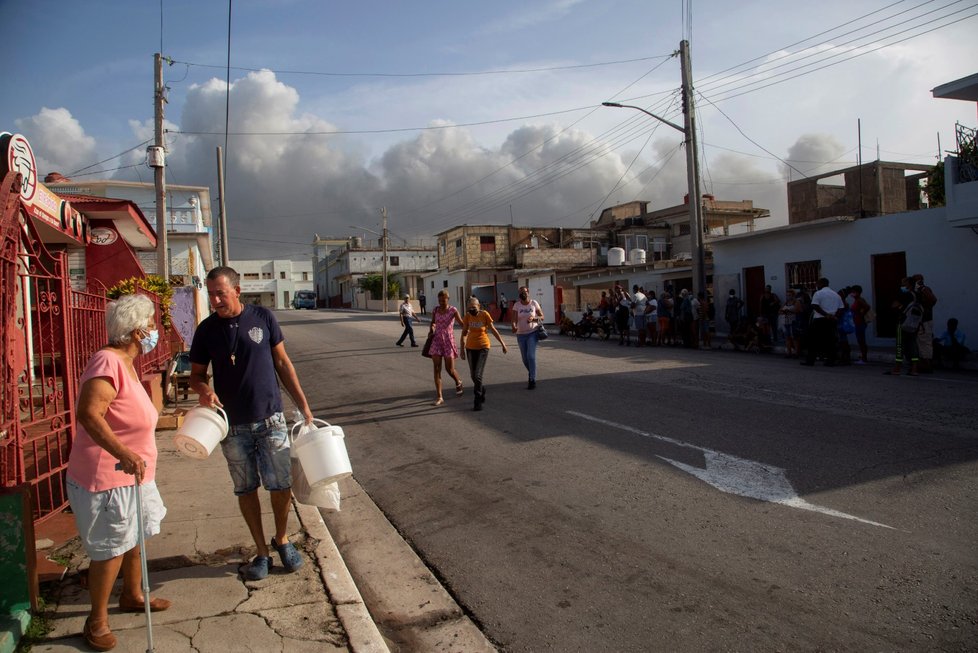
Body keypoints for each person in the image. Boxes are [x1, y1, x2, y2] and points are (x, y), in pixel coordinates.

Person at [189, 266, 313, 581]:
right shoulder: (206, 331)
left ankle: (282, 539)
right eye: (211, 293)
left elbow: (283, 363)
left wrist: (304, 406)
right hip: (231, 426)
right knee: (245, 489)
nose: (215, 299)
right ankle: (261, 551)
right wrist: (204, 391)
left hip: (270, 417)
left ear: (237, 291)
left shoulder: (262, 317)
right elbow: (196, 375)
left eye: (221, 292)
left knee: (280, 485)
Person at [67, 294, 170, 651]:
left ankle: (132, 594)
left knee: (135, 536)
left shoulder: (125, 362)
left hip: (132, 474)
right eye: (152, 325)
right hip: (107, 476)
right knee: (110, 547)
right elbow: (89, 413)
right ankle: (95, 621)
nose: (155, 331)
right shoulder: (107, 362)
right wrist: (123, 452)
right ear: (138, 331)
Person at [460, 297, 508, 410]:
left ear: (479, 306)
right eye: (469, 307)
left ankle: (477, 400)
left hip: (483, 347)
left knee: (477, 374)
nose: (472, 309)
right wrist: (462, 349)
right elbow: (464, 333)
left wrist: (503, 343)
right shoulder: (467, 317)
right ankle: (482, 389)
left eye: (474, 307)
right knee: (473, 375)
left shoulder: (484, 315)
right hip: (470, 348)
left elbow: (493, 329)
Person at [427, 289, 465, 405]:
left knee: (450, 369)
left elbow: (462, 324)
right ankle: (439, 397)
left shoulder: (453, 310)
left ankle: (458, 381)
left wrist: (469, 333)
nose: (441, 303)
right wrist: (432, 328)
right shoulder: (435, 310)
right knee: (437, 369)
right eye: (439, 300)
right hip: (437, 340)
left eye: (443, 300)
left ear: (448, 299)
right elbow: (433, 322)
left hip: (448, 341)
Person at [802, 277, 844, 367]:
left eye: (817, 284)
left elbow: (814, 305)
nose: (816, 286)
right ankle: (831, 360)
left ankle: (810, 360)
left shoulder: (818, 293)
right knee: (831, 340)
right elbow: (841, 308)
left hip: (820, 319)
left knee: (813, 340)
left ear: (820, 284)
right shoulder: (835, 294)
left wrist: (826, 314)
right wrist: (835, 316)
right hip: (832, 320)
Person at [512, 286, 546, 389]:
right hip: (521, 335)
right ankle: (532, 372)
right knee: (525, 359)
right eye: (520, 292)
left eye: (524, 292)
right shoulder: (517, 305)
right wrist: (513, 325)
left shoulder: (534, 303)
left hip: (532, 333)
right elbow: (513, 319)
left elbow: (542, 317)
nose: (522, 294)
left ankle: (532, 379)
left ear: (528, 293)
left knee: (531, 356)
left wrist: (534, 318)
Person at [886, 276, 920, 376]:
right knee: (913, 345)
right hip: (914, 324)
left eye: (903, 283)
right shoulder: (917, 295)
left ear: (908, 284)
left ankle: (897, 368)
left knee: (900, 345)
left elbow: (894, 305)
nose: (902, 285)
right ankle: (914, 369)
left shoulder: (905, 295)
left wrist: (899, 306)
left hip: (903, 322)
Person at [911, 274, 937, 373]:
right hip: (920, 321)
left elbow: (933, 300)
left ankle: (927, 365)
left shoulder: (924, 289)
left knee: (924, 342)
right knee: (920, 343)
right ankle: (922, 365)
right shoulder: (918, 291)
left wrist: (925, 309)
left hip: (925, 321)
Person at [848, 285, 871, 364]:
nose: (852, 293)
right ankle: (863, 357)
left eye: (853, 292)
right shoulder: (857, 300)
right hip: (858, 322)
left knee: (861, 340)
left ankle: (864, 358)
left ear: (857, 292)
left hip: (860, 322)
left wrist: (861, 315)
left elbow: (867, 307)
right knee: (861, 340)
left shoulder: (859, 300)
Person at [779, 288, 801, 358]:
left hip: (793, 322)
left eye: (790, 295)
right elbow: (780, 310)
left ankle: (797, 353)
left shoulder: (796, 302)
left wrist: (789, 311)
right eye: (787, 295)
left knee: (794, 337)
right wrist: (782, 311)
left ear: (793, 295)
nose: (788, 296)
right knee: (787, 337)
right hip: (786, 322)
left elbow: (798, 310)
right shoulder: (786, 303)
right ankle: (789, 352)